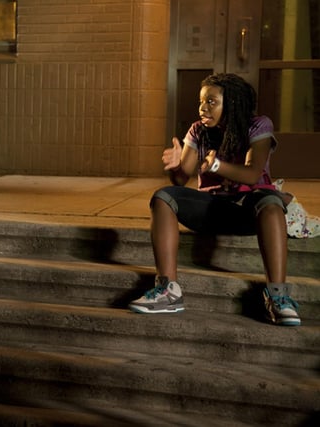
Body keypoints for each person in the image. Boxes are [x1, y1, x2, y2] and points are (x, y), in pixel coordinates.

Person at [128, 73, 300, 327]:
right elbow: (180, 180)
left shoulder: (258, 125)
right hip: (214, 209)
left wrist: (216, 165)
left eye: (211, 101)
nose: (202, 108)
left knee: (271, 203)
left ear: (231, 103)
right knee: (164, 197)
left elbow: (253, 174)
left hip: (251, 209)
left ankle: (278, 297)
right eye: (201, 101)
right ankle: (168, 291)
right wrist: (175, 165)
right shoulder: (198, 130)